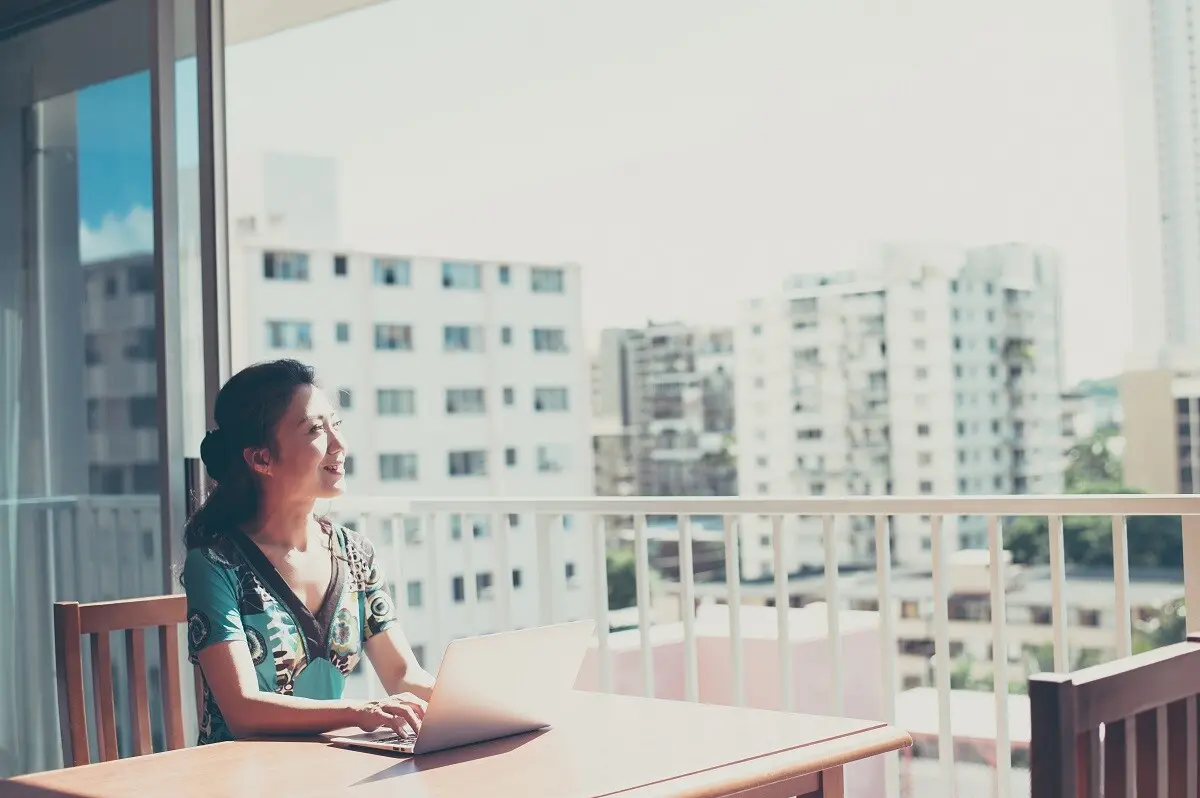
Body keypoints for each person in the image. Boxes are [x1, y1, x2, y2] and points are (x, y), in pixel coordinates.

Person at [182, 359, 434, 744]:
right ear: (262, 458)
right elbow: (244, 710)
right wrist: (359, 712)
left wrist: (494, 706)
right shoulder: (216, 564)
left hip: (327, 771)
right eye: (316, 429)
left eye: (336, 424)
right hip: (239, 779)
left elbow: (403, 675)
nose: (339, 444)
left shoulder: (354, 555)